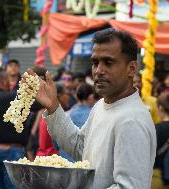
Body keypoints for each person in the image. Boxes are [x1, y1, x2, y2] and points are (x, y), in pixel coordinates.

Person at [26, 29, 156, 188]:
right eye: (95, 63)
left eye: (108, 62)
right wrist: (54, 106)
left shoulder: (132, 120)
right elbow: (81, 148)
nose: (98, 71)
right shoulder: (101, 105)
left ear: (132, 68)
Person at [0, 68, 30, 189]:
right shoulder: (10, 98)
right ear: (2, 82)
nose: (9, 82)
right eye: (7, 80)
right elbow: (35, 102)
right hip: (12, 151)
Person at [36, 82, 70, 157]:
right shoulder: (54, 115)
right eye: (66, 94)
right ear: (59, 96)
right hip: (51, 160)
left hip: (45, 157)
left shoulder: (48, 113)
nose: (68, 97)